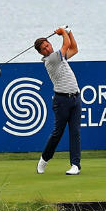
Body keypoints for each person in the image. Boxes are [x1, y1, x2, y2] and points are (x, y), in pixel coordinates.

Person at [36, 26, 82, 175]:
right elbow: (66, 45)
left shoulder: (59, 56)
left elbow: (74, 48)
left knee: (75, 132)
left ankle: (75, 165)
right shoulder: (51, 60)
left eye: (48, 45)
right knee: (58, 133)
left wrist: (69, 32)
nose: (47, 49)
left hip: (75, 98)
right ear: (41, 53)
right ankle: (44, 160)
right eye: (43, 48)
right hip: (61, 101)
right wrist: (63, 33)